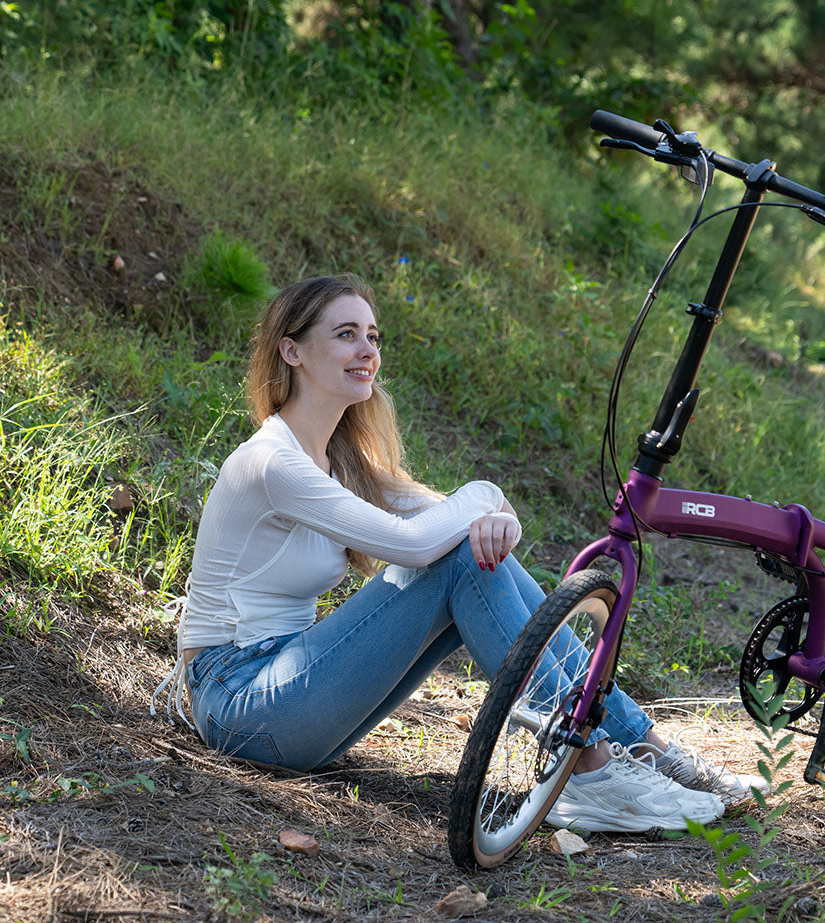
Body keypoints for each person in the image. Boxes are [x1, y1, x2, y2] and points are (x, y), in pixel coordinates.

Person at [152, 273, 760, 833]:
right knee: (460, 559)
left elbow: (458, 519)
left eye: (372, 336)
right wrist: (485, 503)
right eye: (345, 335)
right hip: (240, 699)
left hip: (290, 692)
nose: (367, 350)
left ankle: (638, 747)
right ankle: (589, 765)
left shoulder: (337, 461)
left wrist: (493, 516)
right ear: (292, 351)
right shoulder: (274, 462)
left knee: (474, 558)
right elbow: (417, 542)